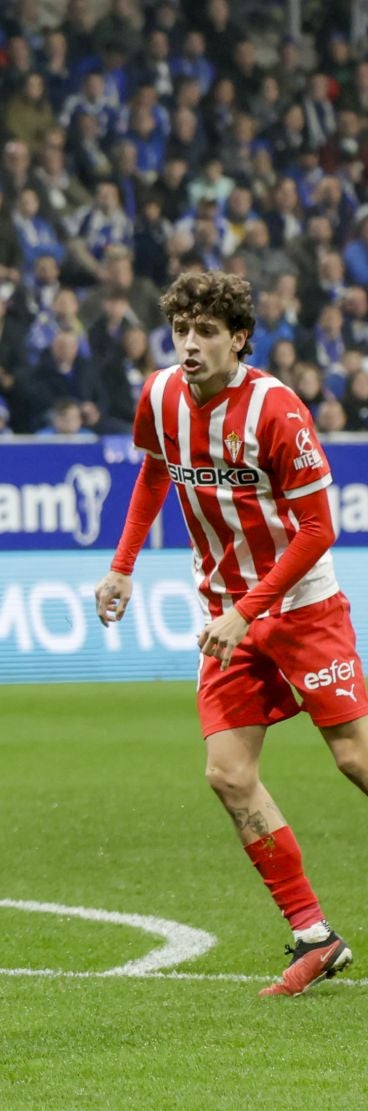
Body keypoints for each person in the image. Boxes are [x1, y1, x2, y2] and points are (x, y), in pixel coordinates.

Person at [97, 270, 359, 997]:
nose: (190, 344)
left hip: (301, 609)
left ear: (238, 338)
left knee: (355, 761)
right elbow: (155, 471)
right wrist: (122, 568)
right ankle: (315, 936)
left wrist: (249, 610)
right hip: (229, 617)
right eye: (181, 329)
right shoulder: (159, 396)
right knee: (227, 773)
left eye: (206, 331)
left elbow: (317, 529)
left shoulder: (277, 411)